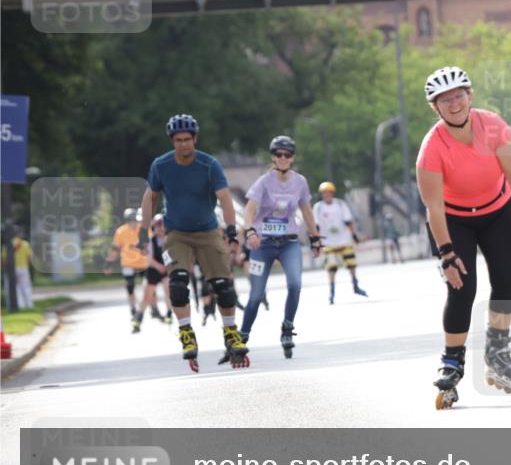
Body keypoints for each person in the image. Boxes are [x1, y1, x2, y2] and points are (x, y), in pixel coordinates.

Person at [416, 66, 511, 410]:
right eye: (445, 100)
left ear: (470, 96)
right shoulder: (432, 148)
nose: (454, 103)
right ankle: (452, 362)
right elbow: (434, 209)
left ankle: (497, 350)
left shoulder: (495, 127)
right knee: (462, 288)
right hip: (455, 220)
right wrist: (446, 253)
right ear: (436, 108)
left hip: (497, 210)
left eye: (459, 95)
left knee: (506, 281)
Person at [139, 113, 249, 371]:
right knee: (177, 285)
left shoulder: (209, 164)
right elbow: (150, 197)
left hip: (209, 231)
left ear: (195, 139)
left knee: (223, 286)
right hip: (177, 234)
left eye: (187, 139)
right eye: (178, 140)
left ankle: (231, 333)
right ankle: (186, 333)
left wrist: (232, 229)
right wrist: (144, 231)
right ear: (172, 141)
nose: (183, 144)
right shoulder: (161, 165)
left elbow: (224, 197)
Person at [240, 136, 321, 359]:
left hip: (288, 242)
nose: (283, 158)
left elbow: (306, 210)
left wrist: (315, 238)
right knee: (256, 295)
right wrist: (250, 231)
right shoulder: (264, 182)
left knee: (295, 285)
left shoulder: (300, 182)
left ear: (292, 157)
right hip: (263, 244)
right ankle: (242, 337)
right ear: (273, 158)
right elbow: (249, 210)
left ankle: (287, 327)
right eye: (278, 155)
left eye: (287, 155)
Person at [313, 181, 368, 304]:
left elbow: (348, 221)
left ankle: (356, 286)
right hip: (328, 241)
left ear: (332, 193)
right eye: (323, 193)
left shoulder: (340, 204)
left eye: (328, 193)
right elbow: (316, 226)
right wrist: (316, 242)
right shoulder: (318, 207)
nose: (325, 195)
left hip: (344, 239)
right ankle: (332, 292)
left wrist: (354, 236)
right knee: (331, 267)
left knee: (351, 264)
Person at [105, 208, 149, 319]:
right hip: (128, 263)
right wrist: (109, 263)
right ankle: (133, 308)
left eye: (135, 220)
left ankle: (153, 308)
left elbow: (151, 244)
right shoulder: (121, 231)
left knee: (149, 287)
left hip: (144, 263)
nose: (133, 223)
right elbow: (115, 249)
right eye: (131, 221)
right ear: (127, 221)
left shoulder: (143, 229)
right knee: (130, 286)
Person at [131, 213, 172, 333]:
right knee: (147, 296)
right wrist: (158, 266)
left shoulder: (169, 239)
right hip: (154, 269)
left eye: (162, 226)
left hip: (166, 268)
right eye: (158, 226)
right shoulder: (150, 240)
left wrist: (166, 266)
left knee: (168, 289)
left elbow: (171, 255)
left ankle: (169, 314)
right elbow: (149, 257)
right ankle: (138, 319)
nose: (161, 228)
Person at [12, 227, 33, 309]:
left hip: (12, 269)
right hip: (23, 268)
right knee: (26, 288)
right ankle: (29, 305)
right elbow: (29, 258)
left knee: (15, 289)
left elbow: (4, 260)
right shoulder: (25, 244)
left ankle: (19, 306)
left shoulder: (9, 244)